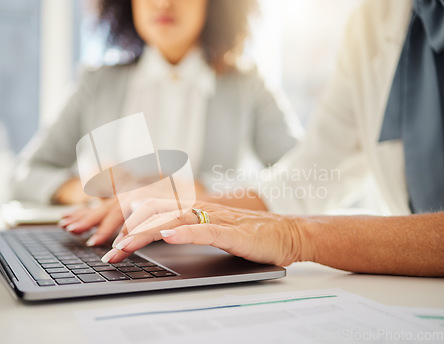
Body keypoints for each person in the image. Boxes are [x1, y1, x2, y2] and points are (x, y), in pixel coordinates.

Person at [60, 0, 444, 277]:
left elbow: (292, 164)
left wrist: (206, 194)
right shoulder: (374, 20)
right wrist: (187, 207)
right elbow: (314, 169)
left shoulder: (246, 84)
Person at [10, 0, 301, 205]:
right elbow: (25, 174)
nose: (163, 3)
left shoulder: (247, 86)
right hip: (107, 255)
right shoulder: (96, 82)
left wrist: (205, 190)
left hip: (207, 257)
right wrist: (84, 190)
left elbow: (305, 177)